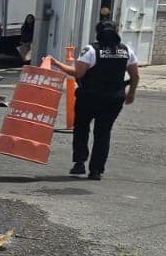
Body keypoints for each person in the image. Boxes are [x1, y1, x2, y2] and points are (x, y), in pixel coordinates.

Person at [51, 22, 140, 182]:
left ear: (96, 32)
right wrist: (131, 94)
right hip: (114, 99)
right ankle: (96, 171)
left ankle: (79, 162)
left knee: (81, 128)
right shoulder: (126, 50)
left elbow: (77, 73)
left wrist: (57, 64)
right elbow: (135, 76)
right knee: (103, 133)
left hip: (89, 97)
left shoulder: (91, 50)